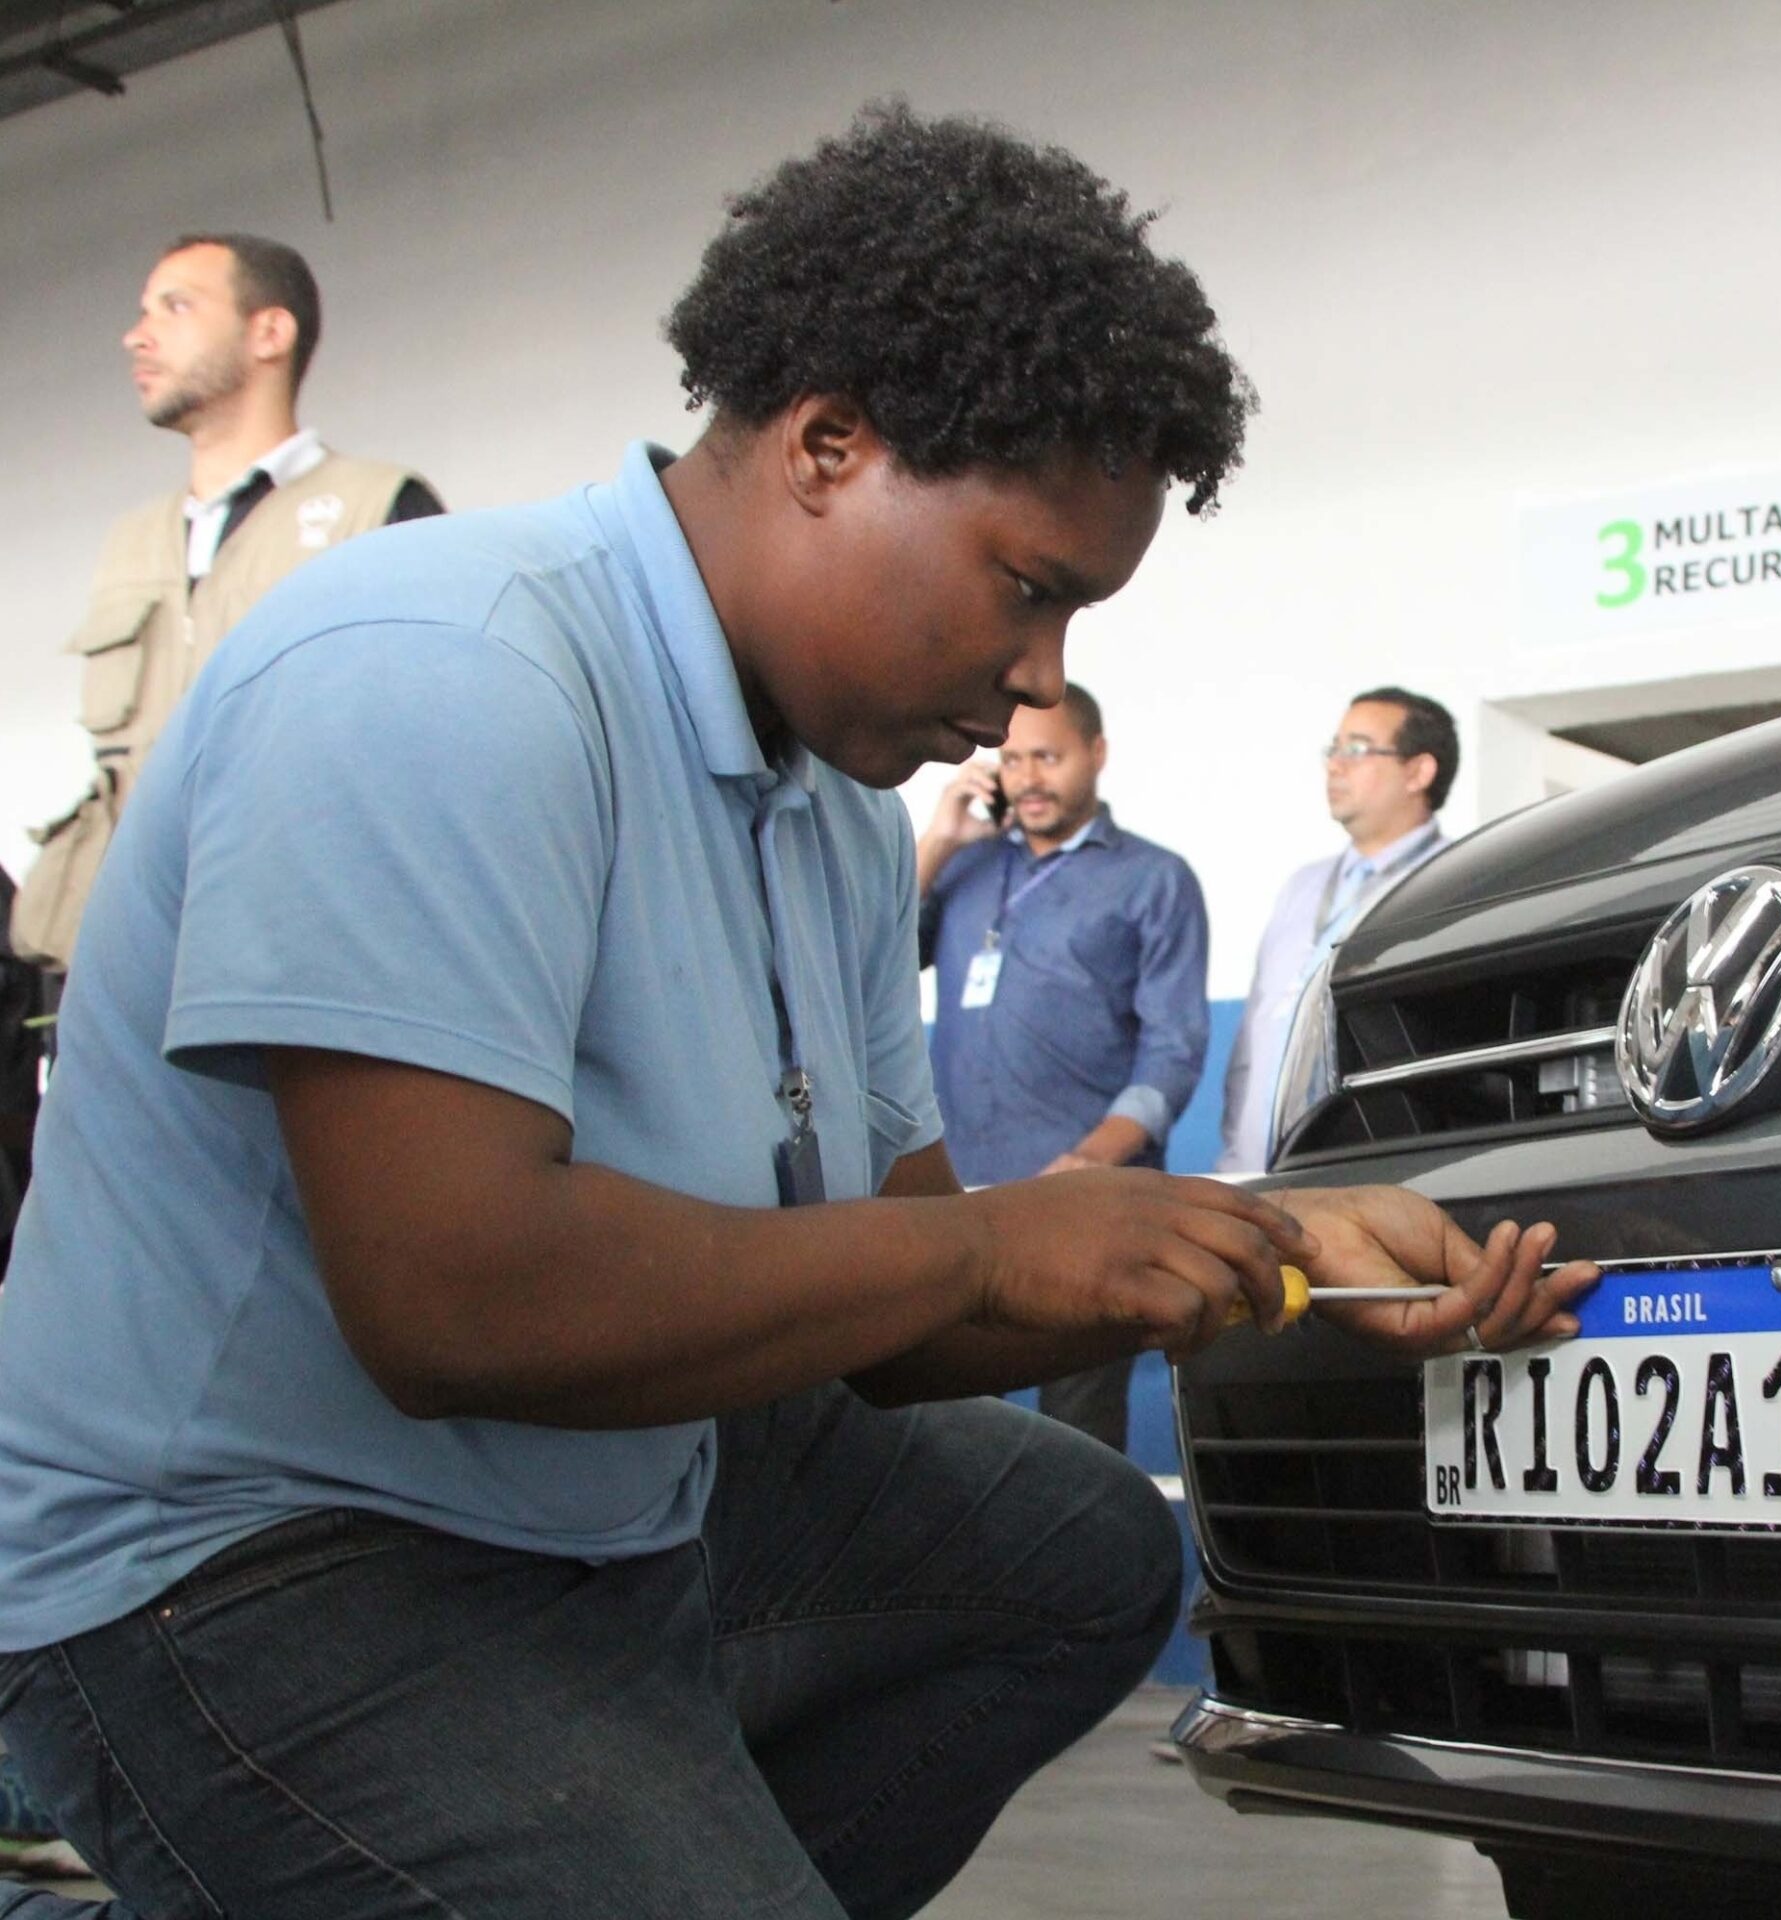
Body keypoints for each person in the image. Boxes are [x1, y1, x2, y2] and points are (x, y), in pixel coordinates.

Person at [0, 107, 1594, 1919]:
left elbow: (893, 1308)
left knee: (1074, 1549)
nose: (1037, 685)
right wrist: (1006, 1249)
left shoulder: (834, 820)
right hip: (251, 1562)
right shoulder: (440, 676)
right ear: (829, 445)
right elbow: (456, 1297)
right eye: (1029, 588)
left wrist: (1264, 1243)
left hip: (599, 1508)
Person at [9, 233, 442, 975]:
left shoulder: (381, 508)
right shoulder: (130, 542)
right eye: (142, 312)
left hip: (300, 963)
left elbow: (439, 754)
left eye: (175, 307)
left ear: (270, 332)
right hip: (122, 969)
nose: (136, 336)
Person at [917, 685, 1210, 1452]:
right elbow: (870, 956)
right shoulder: (967, 870)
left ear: (1097, 754)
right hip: (959, 1197)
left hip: (1090, 1202)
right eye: (1012, 759)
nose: (1028, 777)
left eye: (1048, 756)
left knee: (1077, 1435)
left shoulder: (1155, 878)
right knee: (951, 1432)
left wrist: (1092, 1159)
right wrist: (938, 841)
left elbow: (1174, 1047)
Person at [1217, 687, 1460, 1173]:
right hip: (1252, 1174)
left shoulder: (1452, 882)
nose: (1335, 766)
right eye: (1334, 749)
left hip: (1369, 1171)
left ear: (1418, 771)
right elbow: (1252, 1043)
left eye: (1357, 749)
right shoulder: (1300, 887)